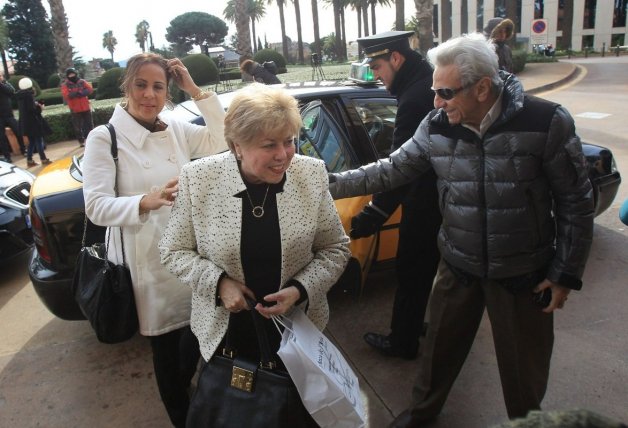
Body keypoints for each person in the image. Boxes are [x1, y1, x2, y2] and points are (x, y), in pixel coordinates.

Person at [328, 33, 594, 426]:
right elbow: (391, 170)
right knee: (437, 355)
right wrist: (322, 180)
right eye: (435, 91)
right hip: (458, 267)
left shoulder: (546, 121)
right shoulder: (436, 126)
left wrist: (564, 274)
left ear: (483, 88)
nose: (436, 103)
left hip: (523, 276)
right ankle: (421, 416)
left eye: (446, 92)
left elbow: (576, 201)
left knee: (524, 375)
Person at [159, 83, 351, 426]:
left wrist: (300, 290)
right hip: (226, 334)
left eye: (290, 140)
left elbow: (335, 247)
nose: (284, 154)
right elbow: (173, 250)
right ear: (236, 146)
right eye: (269, 145)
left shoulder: (310, 173)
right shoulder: (198, 179)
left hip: (297, 333)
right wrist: (220, 284)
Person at [81, 53, 228, 428]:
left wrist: (194, 90)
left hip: (190, 256)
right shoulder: (104, 137)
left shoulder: (176, 126)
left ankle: (200, 409)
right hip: (147, 261)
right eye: (141, 85)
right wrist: (146, 201)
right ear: (126, 87)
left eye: (158, 86)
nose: (149, 95)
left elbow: (222, 138)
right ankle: (184, 418)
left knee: (201, 338)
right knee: (168, 356)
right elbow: (96, 207)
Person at [351, 31, 440, 360]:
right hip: (440, 198)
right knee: (426, 271)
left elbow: (400, 167)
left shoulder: (415, 98)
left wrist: (376, 212)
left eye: (376, 66)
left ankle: (403, 341)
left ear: (396, 59)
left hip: (428, 202)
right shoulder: (423, 82)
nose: (375, 75)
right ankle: (415, 325)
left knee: (411, 270)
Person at [16, 78, 52, 167]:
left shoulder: (20, 96)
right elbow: (31, 110)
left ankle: (29, 160)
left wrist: (35, 104)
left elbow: (27, 109)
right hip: (33, 122)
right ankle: (43, 159)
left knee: (32, 142)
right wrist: (40, 107)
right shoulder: (28, 95)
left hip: (26, 123)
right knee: (39, 140)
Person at [61, 67, 94, 147]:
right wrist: (78, 92)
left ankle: (92, 139)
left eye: (73, 74)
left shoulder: (82, 82)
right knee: (77, 127)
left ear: (75, 73)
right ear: (67, 76)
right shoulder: (65, 85)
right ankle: (81, 141)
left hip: (85, 107)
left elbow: (90, 89)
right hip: (75, 109)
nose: (72, 75)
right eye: (70, 74)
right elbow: (66, 95)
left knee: (89, 125)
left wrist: (80, 93)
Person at [0, 74, 26, 162]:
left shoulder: (6, 84)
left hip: (9, 115)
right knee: (1, 137)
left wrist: (1, 84)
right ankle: (7, 157)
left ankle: (23, 150)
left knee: (18, 132)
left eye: (0, 76)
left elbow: (11, 92)